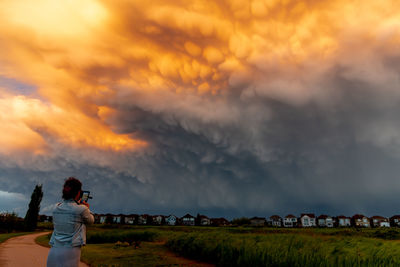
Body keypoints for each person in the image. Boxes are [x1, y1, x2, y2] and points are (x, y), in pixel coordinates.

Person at [47, 177, 94, 267]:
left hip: (54, 248)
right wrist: (87, 208)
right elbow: (91, 221)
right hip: (71, 250)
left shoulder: (56, 207)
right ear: (78, 193)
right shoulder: (82, 209)